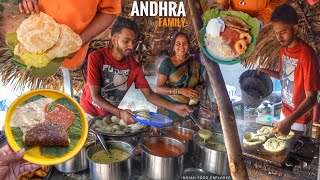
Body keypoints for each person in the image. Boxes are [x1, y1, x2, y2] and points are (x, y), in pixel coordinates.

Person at [80, 17, 193, 124]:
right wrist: (119, 112)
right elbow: (95, 96)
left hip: (110, 114)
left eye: (133, 42)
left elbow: (149, 95)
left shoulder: (134, 66)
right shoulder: (96, 57)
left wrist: (175, 107)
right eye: (126, 41)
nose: (131, 46)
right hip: (88, 112)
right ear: (114, 40)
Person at [258, 4, 320, 135]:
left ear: (295, 28)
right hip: (285, 112)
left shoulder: (307, 55)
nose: (279, 38)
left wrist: (290, 121)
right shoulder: (283, 50)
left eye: (283, 32)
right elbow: (284, 75)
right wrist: (267, 72)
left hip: (299, 119)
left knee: (293, 153)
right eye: (276, 33)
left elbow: (312, 98)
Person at [18, 0, 121, 70]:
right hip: (36, 35)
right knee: (38, 66)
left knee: (61, 68)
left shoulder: (75, 44)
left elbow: (109, 12)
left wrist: (77, 42)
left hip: (72, 48)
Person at [155, 32, 205, 121]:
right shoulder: (167, 63)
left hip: (189, 109)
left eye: (185, 43)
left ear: (188, 46)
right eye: (178, 44)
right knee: (165, 132)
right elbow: (159, 88)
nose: (181, 46)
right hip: (169, 108)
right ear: (173, 46)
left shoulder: (196, 64)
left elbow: (202, 82)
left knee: (187, 132)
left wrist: (199, 88)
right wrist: (181, 91)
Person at [216, 0, 287, 27]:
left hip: (257, 21)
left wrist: (262, 20)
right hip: (231, 17)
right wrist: (222, 3)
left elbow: (278, 1)